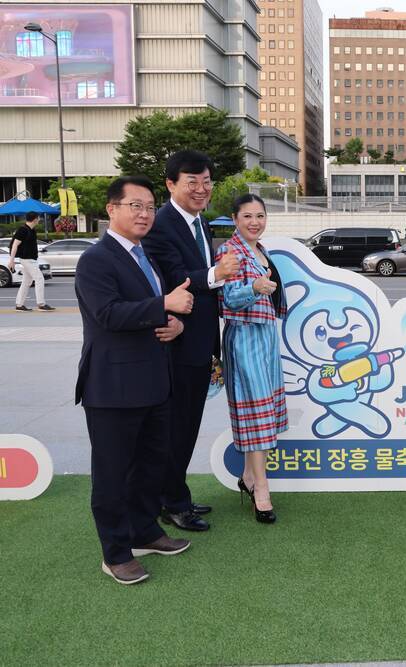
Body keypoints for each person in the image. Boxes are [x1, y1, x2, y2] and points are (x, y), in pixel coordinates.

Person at [75, 176, 195, 584]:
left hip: (154, 382)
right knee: (113, 474)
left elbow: (153, 311)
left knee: (150, 465)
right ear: (112, 209)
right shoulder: (96, 259)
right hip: (112, 388)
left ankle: (145, 531)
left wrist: (173, 323)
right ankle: (115, 552)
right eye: (135, 206)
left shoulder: (145, 256)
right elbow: (107, 314)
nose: (145, 214)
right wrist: (164, 303)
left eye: (149, 206)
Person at [144, 150, 239, 532]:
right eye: (192, 182)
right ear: (170, 184)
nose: (202, 189)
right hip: (177, 344)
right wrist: (218, 273)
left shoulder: (199, 223)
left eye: (206, 182)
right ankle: (172, 503)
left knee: (186, 425)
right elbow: (176, 278)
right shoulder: (162, 224)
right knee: (177, 428)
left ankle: (175, 494)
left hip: (200, 342)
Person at [216, 194, 287, 523]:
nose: (255, 221)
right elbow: (227, 299)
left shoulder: (260, 250)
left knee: (264, 411)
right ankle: (261, 488)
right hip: (244, 337)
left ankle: (247, 475)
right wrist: (254, 288)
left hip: (266, 336)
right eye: (248, 216)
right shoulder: (229, 252)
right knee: (257, 414)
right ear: (235, 218)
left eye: (260, 215)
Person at [8, 212, 55, 312]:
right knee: (39, 279)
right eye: (38, 218)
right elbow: (14, 245)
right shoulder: (23, 230)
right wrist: (11, 260)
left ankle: (19, 305)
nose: (39, 220)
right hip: (26, 260)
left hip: (31, 260)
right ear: (34, 219)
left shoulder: (32, 230)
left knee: (26, 282)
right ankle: (41, 304)